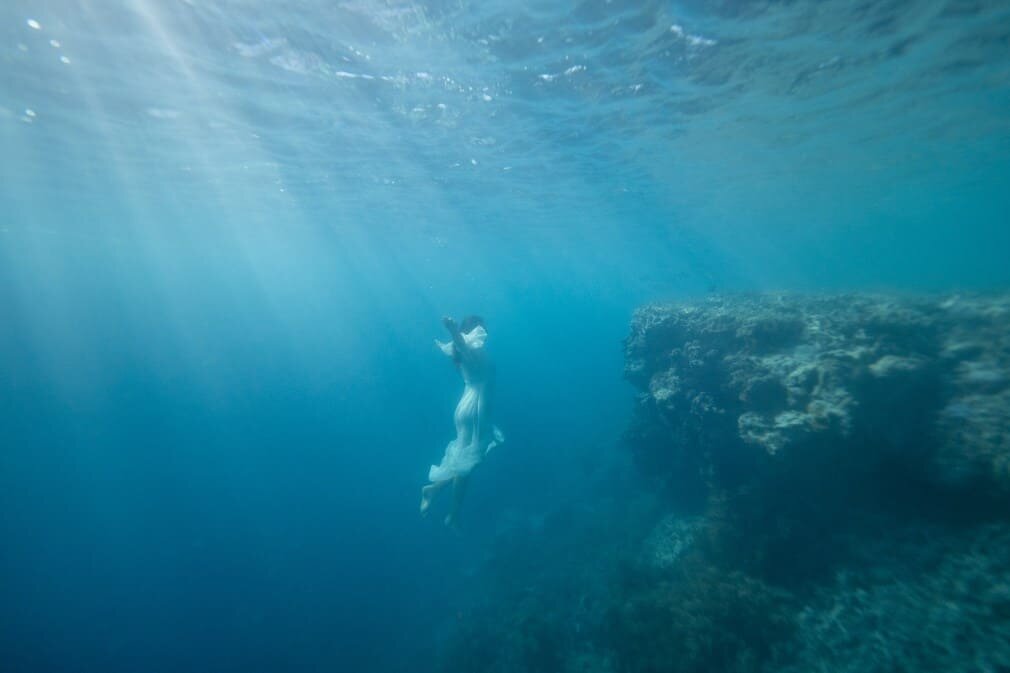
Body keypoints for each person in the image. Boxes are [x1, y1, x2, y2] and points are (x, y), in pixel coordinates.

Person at [420, 315, 503, 527]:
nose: (484, 331)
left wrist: (455, 333)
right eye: (481, 327)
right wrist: (452, 330)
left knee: (464, 460)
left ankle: (434, 490)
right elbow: (462, 344)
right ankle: (453, 514)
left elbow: (461, 347)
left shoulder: (461, 355)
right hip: (476, 409)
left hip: (466, 408)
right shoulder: (470, 349)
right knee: (468, 462)